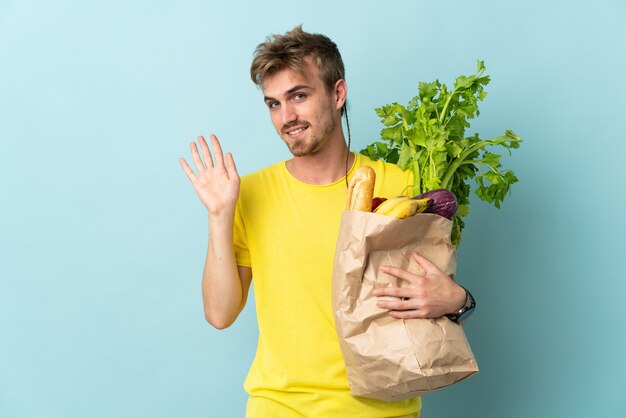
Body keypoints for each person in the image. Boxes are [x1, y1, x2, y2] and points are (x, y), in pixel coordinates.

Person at [180, 26, 474, 418]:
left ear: (338, 94)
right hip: (279, 407)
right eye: (273, 104)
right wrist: (220, 215)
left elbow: (429, 292)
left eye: (298, 96)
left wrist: (459, 301)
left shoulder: (400, 185)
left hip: (382, 409)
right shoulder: (247, 193)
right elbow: (220, 314)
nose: (287, 117)